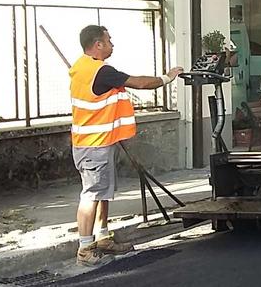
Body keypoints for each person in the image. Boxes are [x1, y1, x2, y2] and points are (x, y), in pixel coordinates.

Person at [70, 25, 183, 267]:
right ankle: (84, 248)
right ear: (98, 44)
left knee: (102, 193)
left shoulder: (81, 67)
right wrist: (167, 77)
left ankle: (102, 238)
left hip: (96, 142)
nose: (112, 44)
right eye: (109, 40)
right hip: (94, 145)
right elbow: (139, 83)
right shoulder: (101, 71)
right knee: (91, 195)